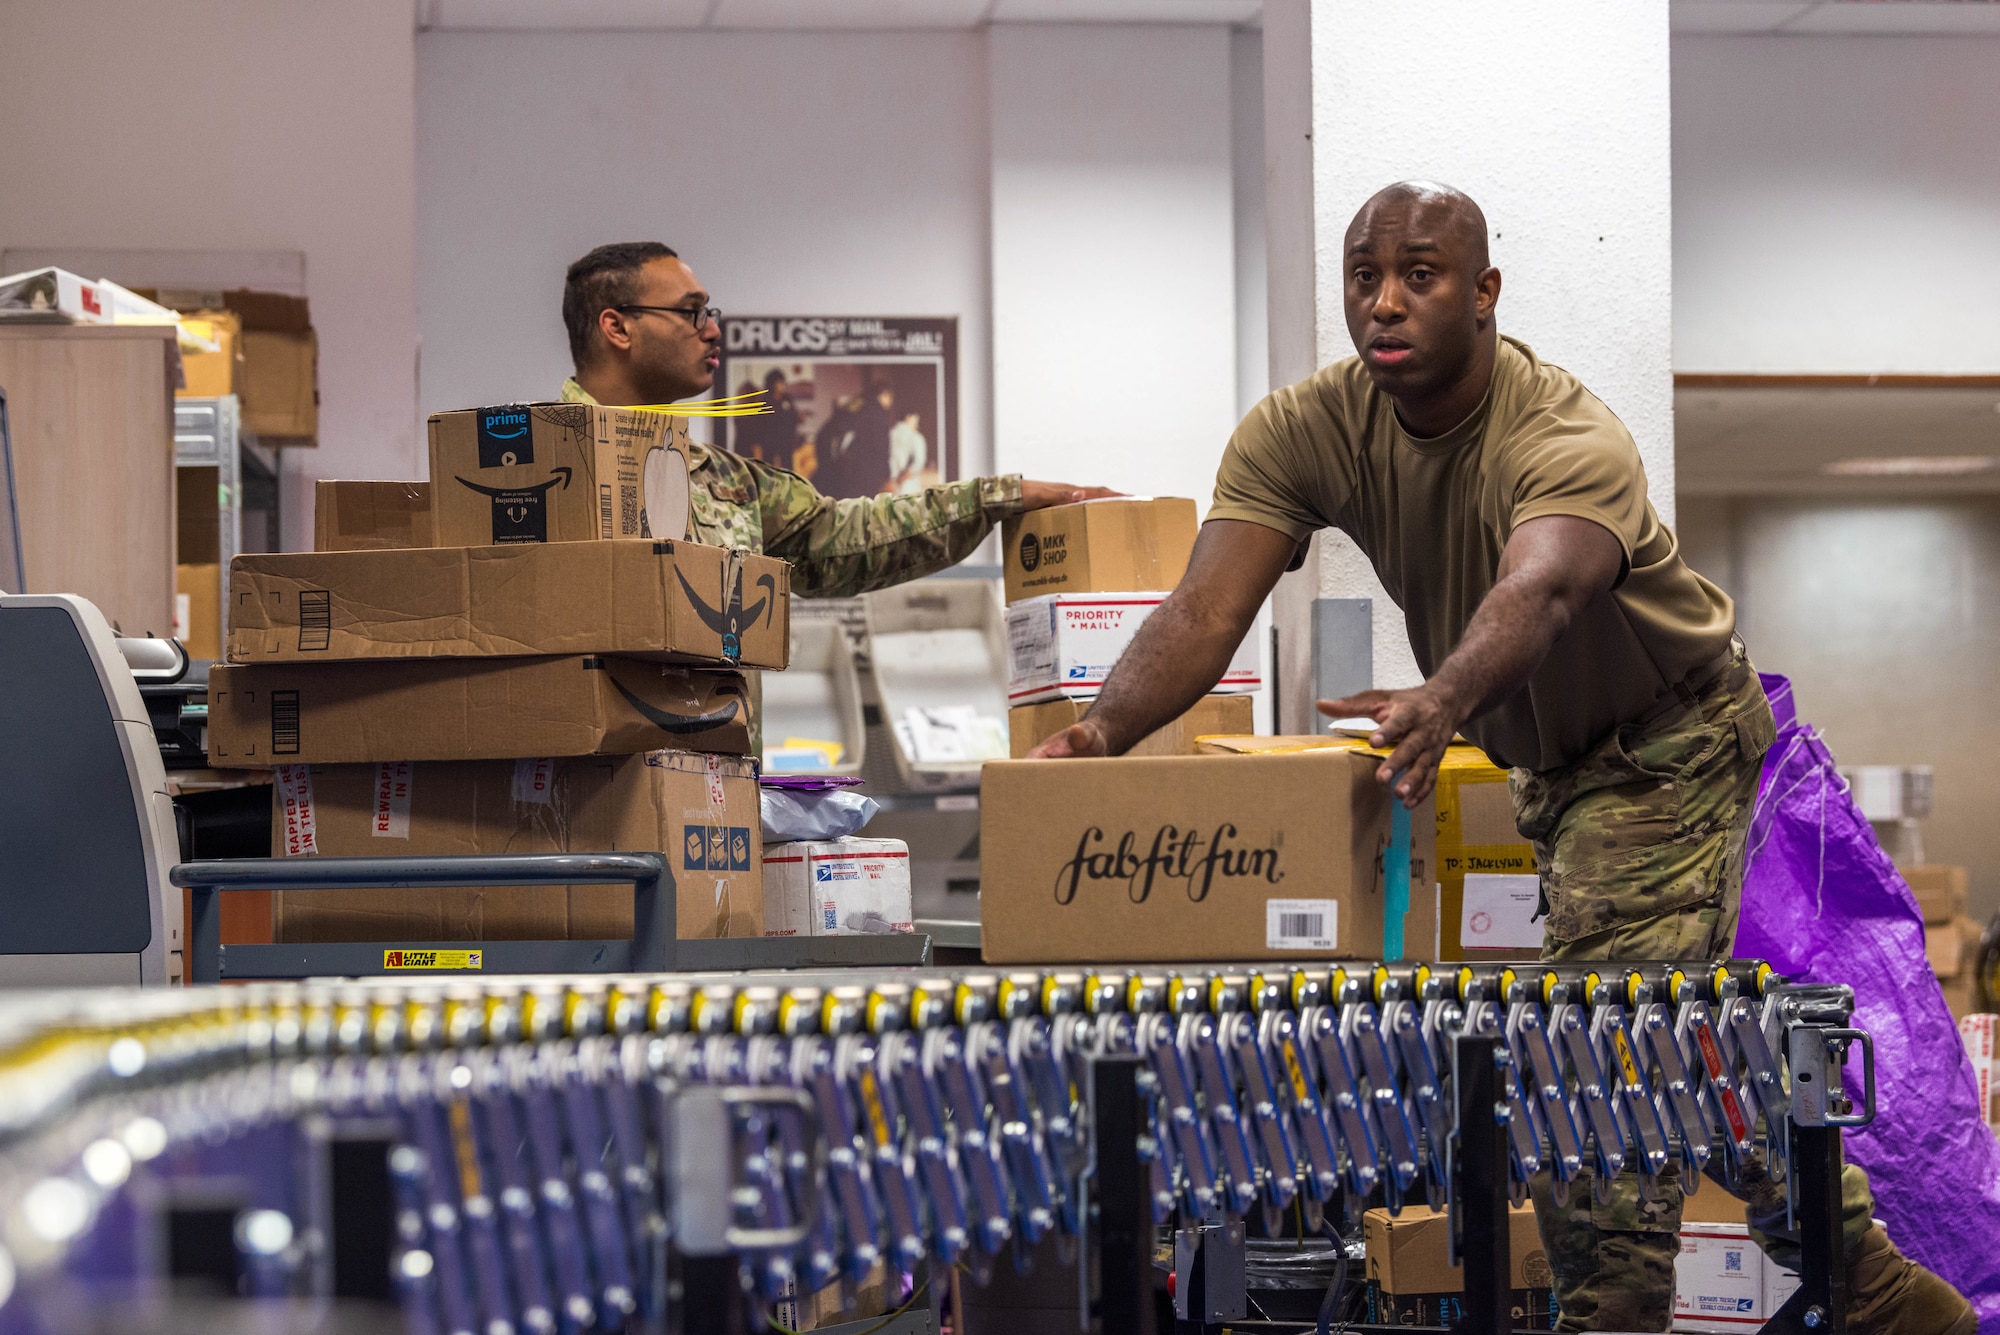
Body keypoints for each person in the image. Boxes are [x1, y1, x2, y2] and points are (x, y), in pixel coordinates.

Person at [1029, 183, 1972, 1334]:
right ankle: (1869, 1286)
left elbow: (1544, 586)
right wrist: (1096, 735)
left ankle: (1610, 1309)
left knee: (1601, 1053)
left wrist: (1440, 696)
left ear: (1481, 294)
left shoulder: (1562, 431)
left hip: (1664, 742)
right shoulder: (1303, 428)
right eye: (1362, 274)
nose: (1383, 301)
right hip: (1552, 768)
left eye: (1418, 274)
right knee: (1684, 1039)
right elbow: (1201, 610)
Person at [558, 240, 1116, 738]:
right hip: (578, 807)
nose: (711, 328)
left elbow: (848, 539)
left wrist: (1001, 498)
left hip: (711, 802)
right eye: (690, 311)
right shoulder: (534, 473)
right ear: (617, 327)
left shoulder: (726, 483)